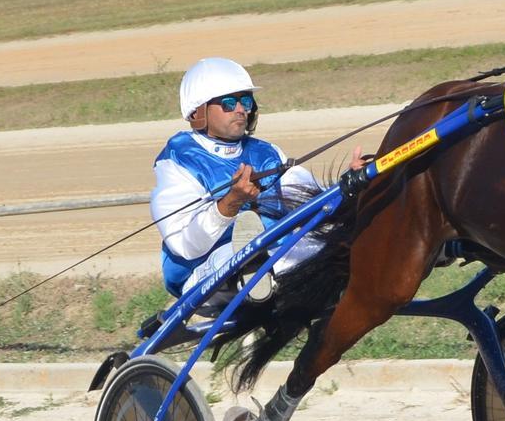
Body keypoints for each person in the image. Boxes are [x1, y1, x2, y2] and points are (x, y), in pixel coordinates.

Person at [150, 56, 362, 301]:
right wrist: (231, 203)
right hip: (203, 271)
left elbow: (309, 198)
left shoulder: (267, 153)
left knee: (327, 240)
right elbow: (186, 246)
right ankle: (252, 265)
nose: (241, 109)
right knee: (238, 253)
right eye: (229, 103)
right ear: (199, 112)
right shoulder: (178, 160)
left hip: (272, 250)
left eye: (246, 100)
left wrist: (348, 185)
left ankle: (261, 271)